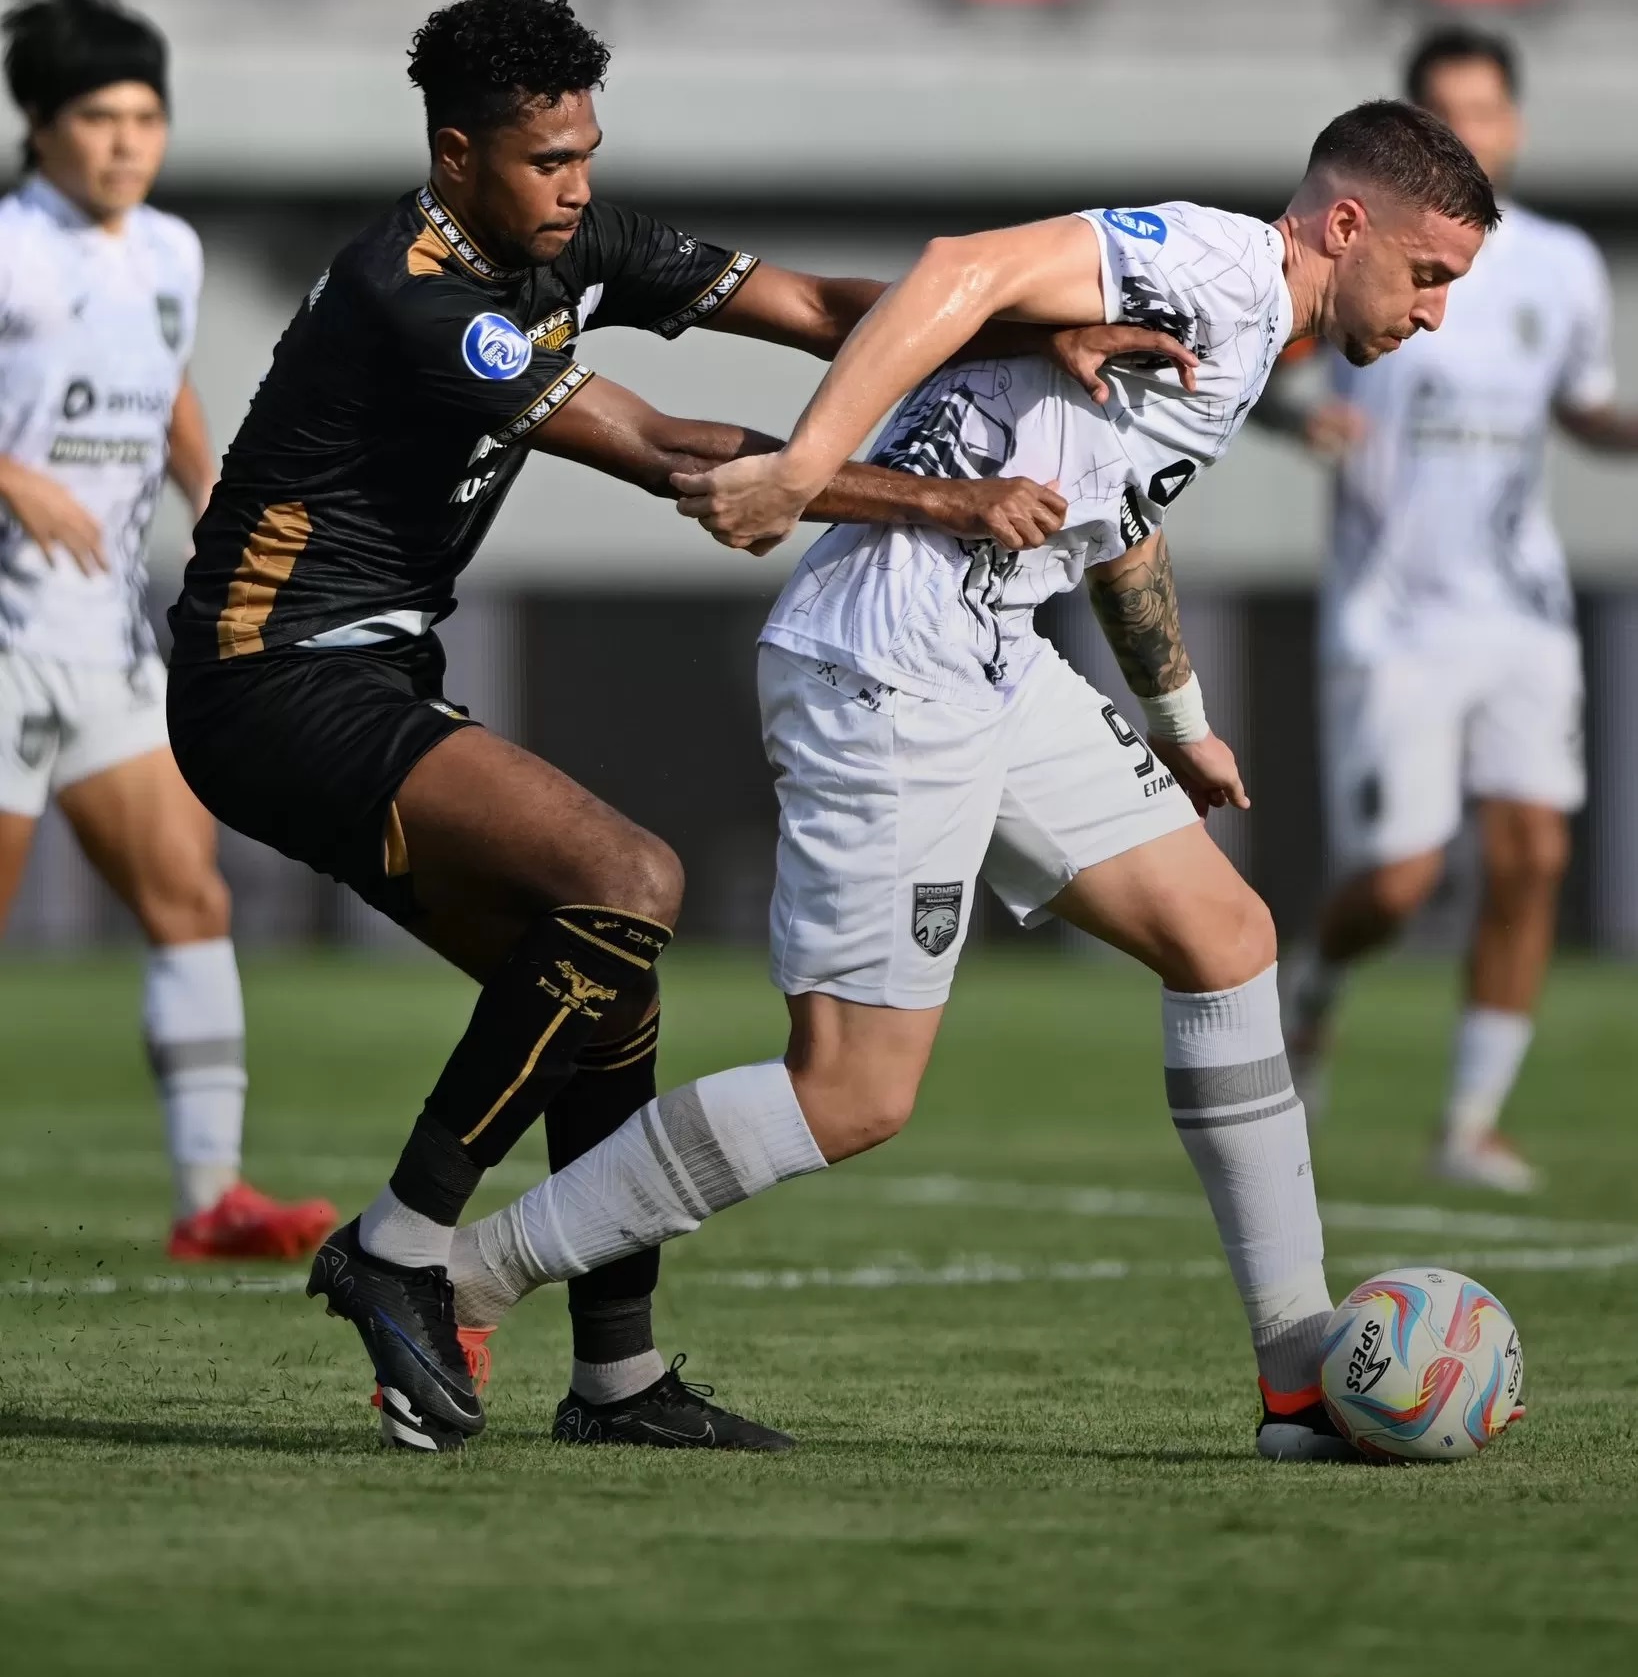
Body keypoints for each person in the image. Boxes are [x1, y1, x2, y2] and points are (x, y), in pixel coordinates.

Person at [163, 0, 1174, 1452]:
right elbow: (663, 447)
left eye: (583, 153)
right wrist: (945, 502)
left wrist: (1031, 333)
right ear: (455, 156)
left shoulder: (581, 239)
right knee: (628, 879)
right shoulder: (416, 290)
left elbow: (833, 314)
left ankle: (617, 1384)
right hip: (269, 676)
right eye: (542, 162)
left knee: (609, 979)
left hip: (366, 671)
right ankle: (395, 1246)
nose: (574, 189)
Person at [440, 102, 1498, 1462]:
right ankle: (468, 1274)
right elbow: (955, 270)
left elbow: (1119, 524)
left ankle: (1297, 1369)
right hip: (891, 654)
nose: (1432, 314)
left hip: (995, 649)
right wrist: (804, 466)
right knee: (853, 1092)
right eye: (1427, 274)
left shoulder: (1245, 335)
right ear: (1344, 226)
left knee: (1226, 939)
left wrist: (1175, 713)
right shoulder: (1220, 264)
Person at [1265, 28, 1638, 1194]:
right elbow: (1266, 361)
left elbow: (1581, 405)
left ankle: (1470, 1120)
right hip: (1396, 610)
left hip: (1519, 602)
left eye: (1486, 110)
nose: (1471, 132)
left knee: (1533, 851)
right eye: (1445, 113)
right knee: (1399, 877)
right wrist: (1297, 419)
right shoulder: (1367, 249)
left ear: (1515, 123)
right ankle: (1317, 984)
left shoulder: (1565, 266)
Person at [0, 0, 336, 1260]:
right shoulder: (15, 250)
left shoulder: (168, 253)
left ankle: (213, 1197)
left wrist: (207, 488)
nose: (127, 139)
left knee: (190, 899)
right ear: (43, 127)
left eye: (147, 115)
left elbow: (166, 381)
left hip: (101, 640)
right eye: (99, 116)